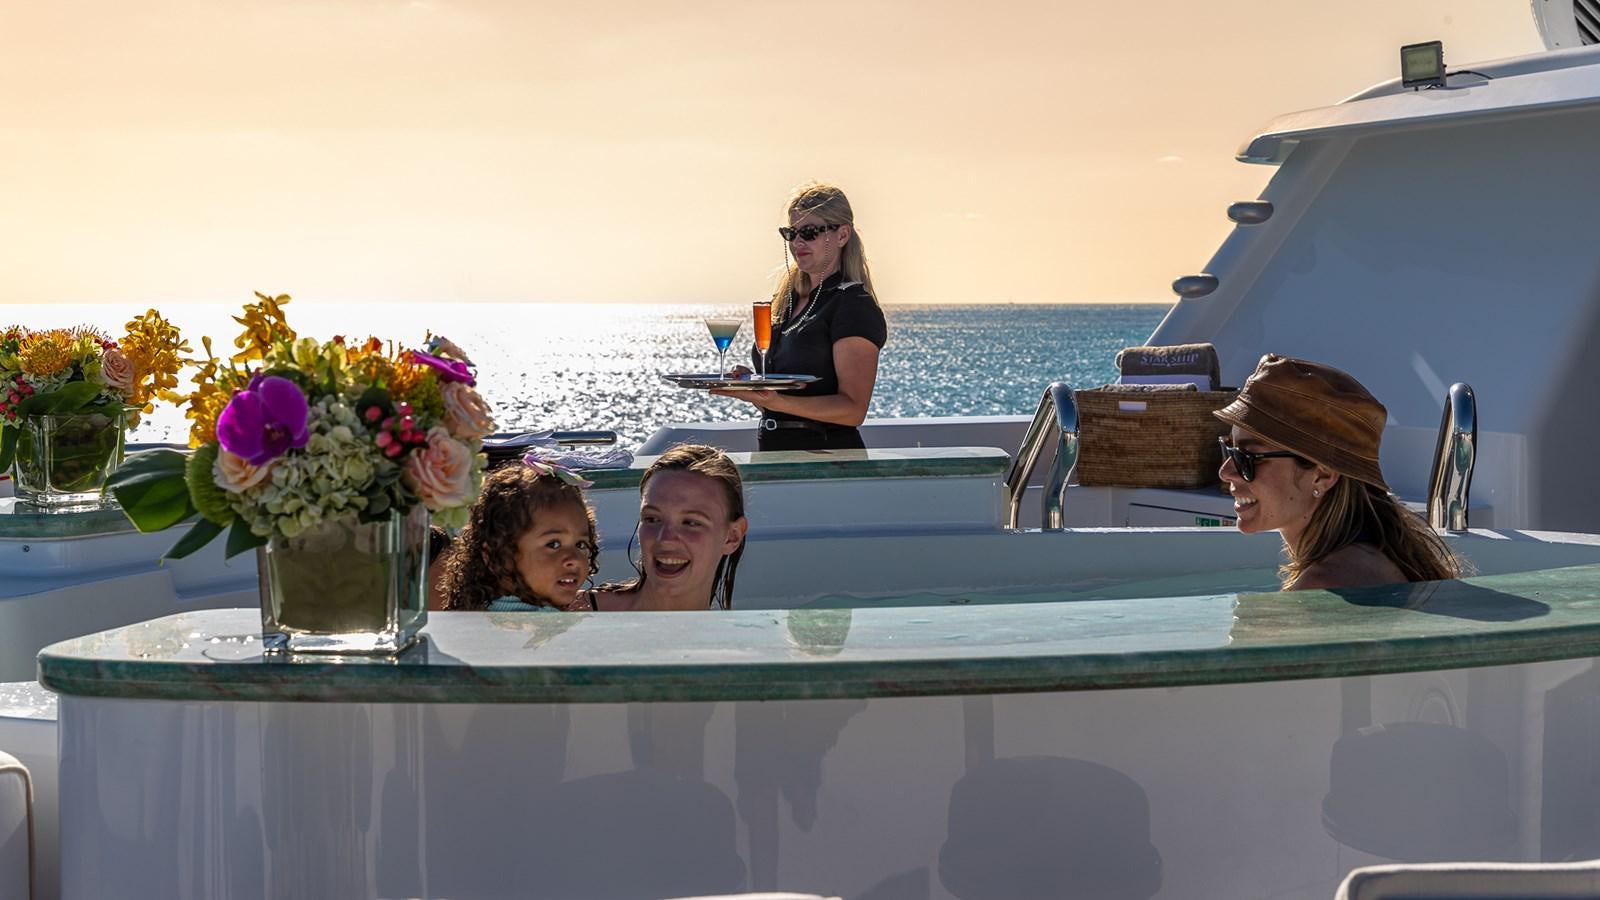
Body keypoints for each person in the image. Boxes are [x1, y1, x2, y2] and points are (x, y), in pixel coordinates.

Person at [1214, 353, 1463, 591]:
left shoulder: (1323, 585)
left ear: (1322, 475)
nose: (1226, 472)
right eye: (1230, 450)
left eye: (1247, 457)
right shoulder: (1378, 556)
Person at [714, 181, 887, 451]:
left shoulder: (853, 306)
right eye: (791, 233)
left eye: (809, 232)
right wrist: (753, 389)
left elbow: (853, 410)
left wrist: (774, 401)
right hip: (776, 455)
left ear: (842, 235)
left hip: (828, 462)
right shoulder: (788, 302)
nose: (798, 242)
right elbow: (780, 403)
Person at [596, 444, 748, 610]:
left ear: (732, 537)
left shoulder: (741, 635)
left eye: (691, 523)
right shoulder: (573, 614)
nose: (666, 538)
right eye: (652, 519)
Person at [437, 461, 601, 612]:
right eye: (553, 544)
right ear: (498, 556)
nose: (574, 559)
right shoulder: (540, 627)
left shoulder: (484, 611)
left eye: (581, 545)